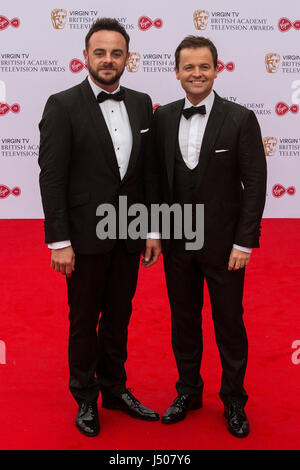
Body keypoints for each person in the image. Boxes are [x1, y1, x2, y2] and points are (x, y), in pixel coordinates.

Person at [38, 18, 161, 437]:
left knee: (119, 317)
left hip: (129, 234)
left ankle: (115, 389)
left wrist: (152, 228)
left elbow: (147, 174)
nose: (108, 60)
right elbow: (52, 176)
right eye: (100, 52)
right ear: (85, 56)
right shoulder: (62, 104)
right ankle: (85, 397)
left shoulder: (143, 103)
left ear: (128, 57)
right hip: (83, 238)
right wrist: (59, 241)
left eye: (116, 53)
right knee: (84, 318)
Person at [154, 36, 267, 438]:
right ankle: (188, 391)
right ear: (177, 72)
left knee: (228, 322)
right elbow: (155, 181)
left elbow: (254, 184)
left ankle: (234, 399)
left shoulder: (240, 118)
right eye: (189, 67)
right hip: (176, 242)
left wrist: (244, 242)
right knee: (183, 321)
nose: (197, 74)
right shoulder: (164, 117)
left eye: (204, 67)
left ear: (217, 69)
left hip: (224, 246)